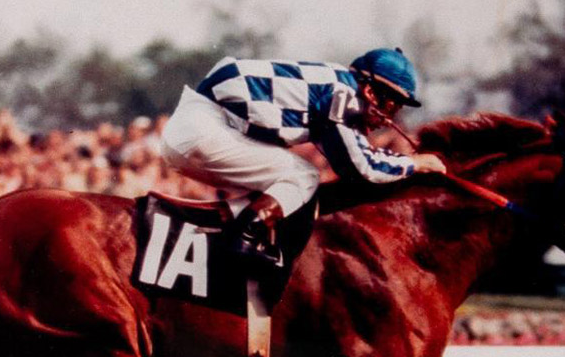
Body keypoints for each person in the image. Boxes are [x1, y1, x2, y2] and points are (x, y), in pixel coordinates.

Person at [159, 45, 446, 271]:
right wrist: (415, 164)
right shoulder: (342, 95)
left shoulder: (334, 89)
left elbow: (355, 157)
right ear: (370, 91)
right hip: (203, 127)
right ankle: (242, 240)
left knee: (287, 181)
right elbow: (362, 167)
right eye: (391, 105)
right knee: (304, 175)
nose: (388, 119)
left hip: (197, 125)